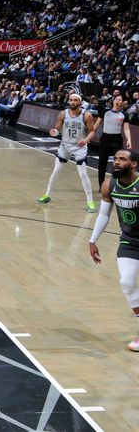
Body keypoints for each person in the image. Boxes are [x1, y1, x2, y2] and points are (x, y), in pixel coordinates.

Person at [88, 149, 139, 351]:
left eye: (122, 159)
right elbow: (104, 215)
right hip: (129, 241)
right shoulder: (109, 185)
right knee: (126, 282)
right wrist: (93, 240)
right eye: (116, 158)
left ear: (134, 164)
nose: (116, 162)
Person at [36, 93, 97, 212]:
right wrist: (55, 130)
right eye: (71, 100)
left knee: (83, 174)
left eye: (75, 100)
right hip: (65, 145)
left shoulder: (87, 115)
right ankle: (47, 195)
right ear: (68, 101)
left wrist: (85, 140)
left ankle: (90, 202)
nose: (73, 102)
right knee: (56, 171)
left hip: (79, 146)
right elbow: (58, 125)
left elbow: (92, 131)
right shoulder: (63, 113)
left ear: (79, 102)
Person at [93, 95, 132, 188]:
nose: (118, 101)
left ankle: (116, 185)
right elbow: (97, 125)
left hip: (117, 140)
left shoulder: (124, 114)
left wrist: (129, 139)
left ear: (122, 103)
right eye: (116, 99)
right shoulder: (105, 112)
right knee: (102, 162)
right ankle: (101, 185)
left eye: (120, 100)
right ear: (113, 101)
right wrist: (89, 135)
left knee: (119, 163)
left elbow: (126, 129)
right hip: (105, 139)